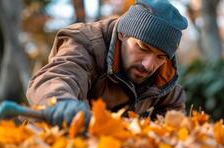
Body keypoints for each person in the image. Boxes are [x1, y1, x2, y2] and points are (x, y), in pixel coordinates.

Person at [26, 0, 188, 127]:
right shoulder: (86, 43)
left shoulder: (163, 73)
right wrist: (61, 102)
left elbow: (174, 109)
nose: (148, 65)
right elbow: (56, 77)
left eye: (160, 57)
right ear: (123, 34)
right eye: (142, 48)